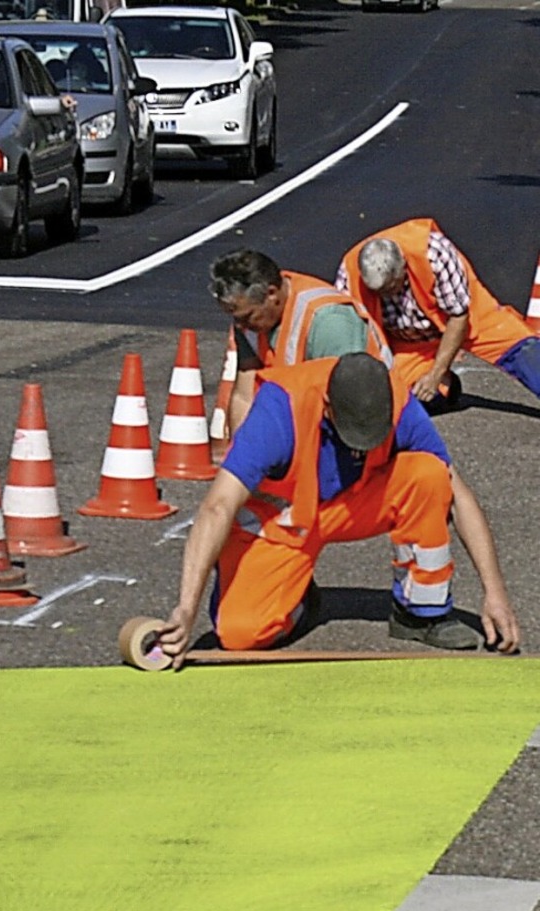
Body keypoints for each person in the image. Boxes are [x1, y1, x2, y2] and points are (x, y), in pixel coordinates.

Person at [158, 353, 520, 670]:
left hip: (350, 505)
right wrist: (186, 608)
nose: (362, 450)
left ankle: (420, 614)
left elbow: (459, 495)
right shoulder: (280, 410)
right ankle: (297, 595)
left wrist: (496, 595)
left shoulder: (397, 401)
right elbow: (217, 506)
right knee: (240, 635)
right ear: (329, 406)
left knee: (429, 475)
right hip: (283, 524)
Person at [335, 217, 540, 406]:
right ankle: (447, 387)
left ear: (403, 267)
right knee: (393, 403)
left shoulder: (433, 252)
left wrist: (436, 373)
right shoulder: (350, 274)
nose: (386, 295)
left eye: (391, 287)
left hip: (468, 322)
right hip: (409, 343)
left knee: (526, 353)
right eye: (379, 292)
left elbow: (458, 317)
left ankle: (440, 377)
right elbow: (348, 335)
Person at [209, 248, 392, 435]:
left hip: (365, 422)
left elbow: (348, 400)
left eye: (247, 316)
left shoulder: (328, 320)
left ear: (272, 294)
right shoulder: (248, 324)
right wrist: (241, 454)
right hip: (306, 417)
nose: (240, 326)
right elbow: (244, 396)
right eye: (235, 317)